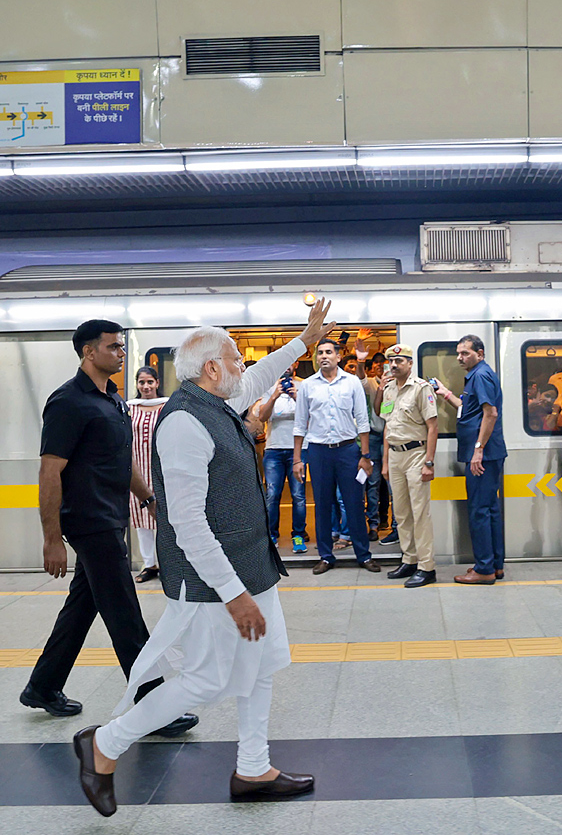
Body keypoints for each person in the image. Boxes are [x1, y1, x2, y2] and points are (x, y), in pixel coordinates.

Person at [74, 299, 337, 817]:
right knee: (206, 681)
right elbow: (188, 524)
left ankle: (253, 767)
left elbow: (260, 377)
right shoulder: (184, 424)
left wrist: (305, 341)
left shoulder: (216, 402)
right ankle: (107, 743)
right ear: (211, 368)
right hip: (213, 582)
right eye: (236, 359)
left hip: (251, 569)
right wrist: (235, 595)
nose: (243, 368)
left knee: (261, 666)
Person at [21, 320, 196, 740]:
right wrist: (51, 537)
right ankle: (156, 705)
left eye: (122, 346)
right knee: (124, 612)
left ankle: (43, 686)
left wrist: (149, 498)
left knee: (84, 604)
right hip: (88, 521)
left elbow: (122, 460)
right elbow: (50, 471)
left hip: (112, 517)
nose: (121, 353)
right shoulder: (67, 402)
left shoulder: (114, 400)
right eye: (113, 347)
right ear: (88, 352)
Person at [293, 339, 380, 574]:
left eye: (329, 352)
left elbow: (363, 420)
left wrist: (365, 455)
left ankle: (363, 554)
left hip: (348, 451)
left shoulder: (351, 383)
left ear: (338, 356)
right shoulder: (308, 386)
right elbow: (300, 425)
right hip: (319, 452)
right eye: (320, 353)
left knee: (353, 504)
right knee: (322, 505)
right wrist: (297, 459)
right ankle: (326, 556)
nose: (324, 356)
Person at [436, 335, 507, 584]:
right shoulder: (477, 376)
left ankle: (484, 569)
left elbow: (491, 413)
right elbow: (470, 409)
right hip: (487, 453)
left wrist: (478, 449)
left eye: (465, 353)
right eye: (458, 353)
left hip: (483, 456)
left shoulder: (481, 376)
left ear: (480, 353)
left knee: (479, 511)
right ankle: (494, 565)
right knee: (489, 511)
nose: (459, 358)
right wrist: (445, 393)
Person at [376, 343, 439, 587]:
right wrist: (384, 462)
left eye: (399, 361)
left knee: (420, 512)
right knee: (401, 512)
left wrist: (429, 462)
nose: (394, 365)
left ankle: (426, 566)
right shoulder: (389, 389)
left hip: (416, 455)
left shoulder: (421, 388)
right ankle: (410, 559)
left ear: (410, 363)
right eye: (391, 361)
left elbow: (433, 427)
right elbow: (387, 427)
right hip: (394, 456)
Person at [256, 361, 308, 554]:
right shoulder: (269, 387)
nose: (286, 367)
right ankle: (271, 535)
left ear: (295, 364)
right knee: (272, 495)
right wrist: (275, 395)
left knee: (298, 496)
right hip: (274, 450)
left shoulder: (303, 386)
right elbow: (262, 417)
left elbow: (310, 417)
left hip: (298, 450)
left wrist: (296, 398)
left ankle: (298, 535)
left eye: (289, 363)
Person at [129, 366, 168, 582]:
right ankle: (149, 564)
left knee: (163, 517)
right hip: (137, 471)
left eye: (150, 382)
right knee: (141, 518)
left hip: (161, 471)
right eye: (142, 382)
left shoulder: (166, 406)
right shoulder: (129, 408)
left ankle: (167, 563)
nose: (146, 387)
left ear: (157, 383)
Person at [353, 340, 391, 541]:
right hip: (374, 438)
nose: (380, 366)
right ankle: (372, 524)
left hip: (392, 438)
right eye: (375, 363)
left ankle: (388, 523)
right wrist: (360, 361)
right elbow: (361, 378)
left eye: (383, 363)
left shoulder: (397, 382)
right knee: (371, 482)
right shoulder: (371, 383)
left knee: (386, 484)